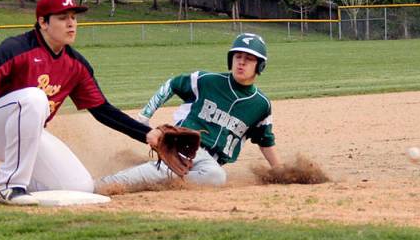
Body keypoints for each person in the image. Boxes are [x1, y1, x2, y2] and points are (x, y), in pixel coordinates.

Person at [0, 0, 162, 205]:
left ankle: (6, 175)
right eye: (62, 18)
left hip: (26, 134)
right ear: (43, 22)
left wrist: (147, 134)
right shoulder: (18, 48)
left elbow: (103, 110)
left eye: (73, 17)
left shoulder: (76, 65)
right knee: (35, 98)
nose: (71, 24)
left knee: (80, 186)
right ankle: (8, 186)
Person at [96, 32, 281, 189]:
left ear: (260, 66)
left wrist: (279, 171)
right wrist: (144, 116)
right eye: (237, 57)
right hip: (185, 145)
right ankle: (101, 185)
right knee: (215, 176)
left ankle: (157, 177)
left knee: (207, 174)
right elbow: (172, 84)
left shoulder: (260, 104)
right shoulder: (207, 80)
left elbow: (265, 140)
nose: (241, 62)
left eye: (248, 59)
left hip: (209, 162)